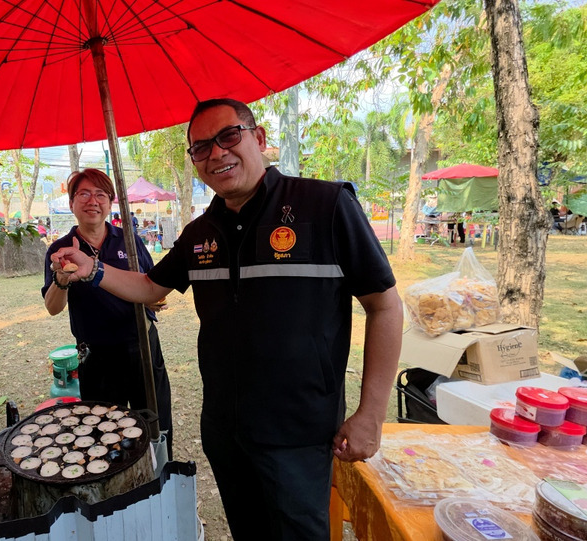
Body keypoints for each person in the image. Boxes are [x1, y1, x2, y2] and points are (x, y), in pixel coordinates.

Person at [51, 98, 402, 539]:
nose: (216, 153)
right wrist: (93, 270)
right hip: (225, 429)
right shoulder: (200, 233)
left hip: (298, 431)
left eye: (228, 136)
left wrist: (372, 413)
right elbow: (151, 287)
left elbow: (385, 306)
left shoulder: (325, 205)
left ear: (259, 138)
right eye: (201, 147)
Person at [43, 169, 174, 456]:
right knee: (103, 435)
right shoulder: (60, 249)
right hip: (97, 357)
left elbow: (151, 286)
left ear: (110, 202)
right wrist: (61, 279)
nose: (93, 201)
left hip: (142, 347)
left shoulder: (129, 240)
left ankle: (160, 473)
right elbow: (53, 307)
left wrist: (152, 301)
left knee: (155, 425)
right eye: (84, 194)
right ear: (71, 203)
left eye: (100, 194)